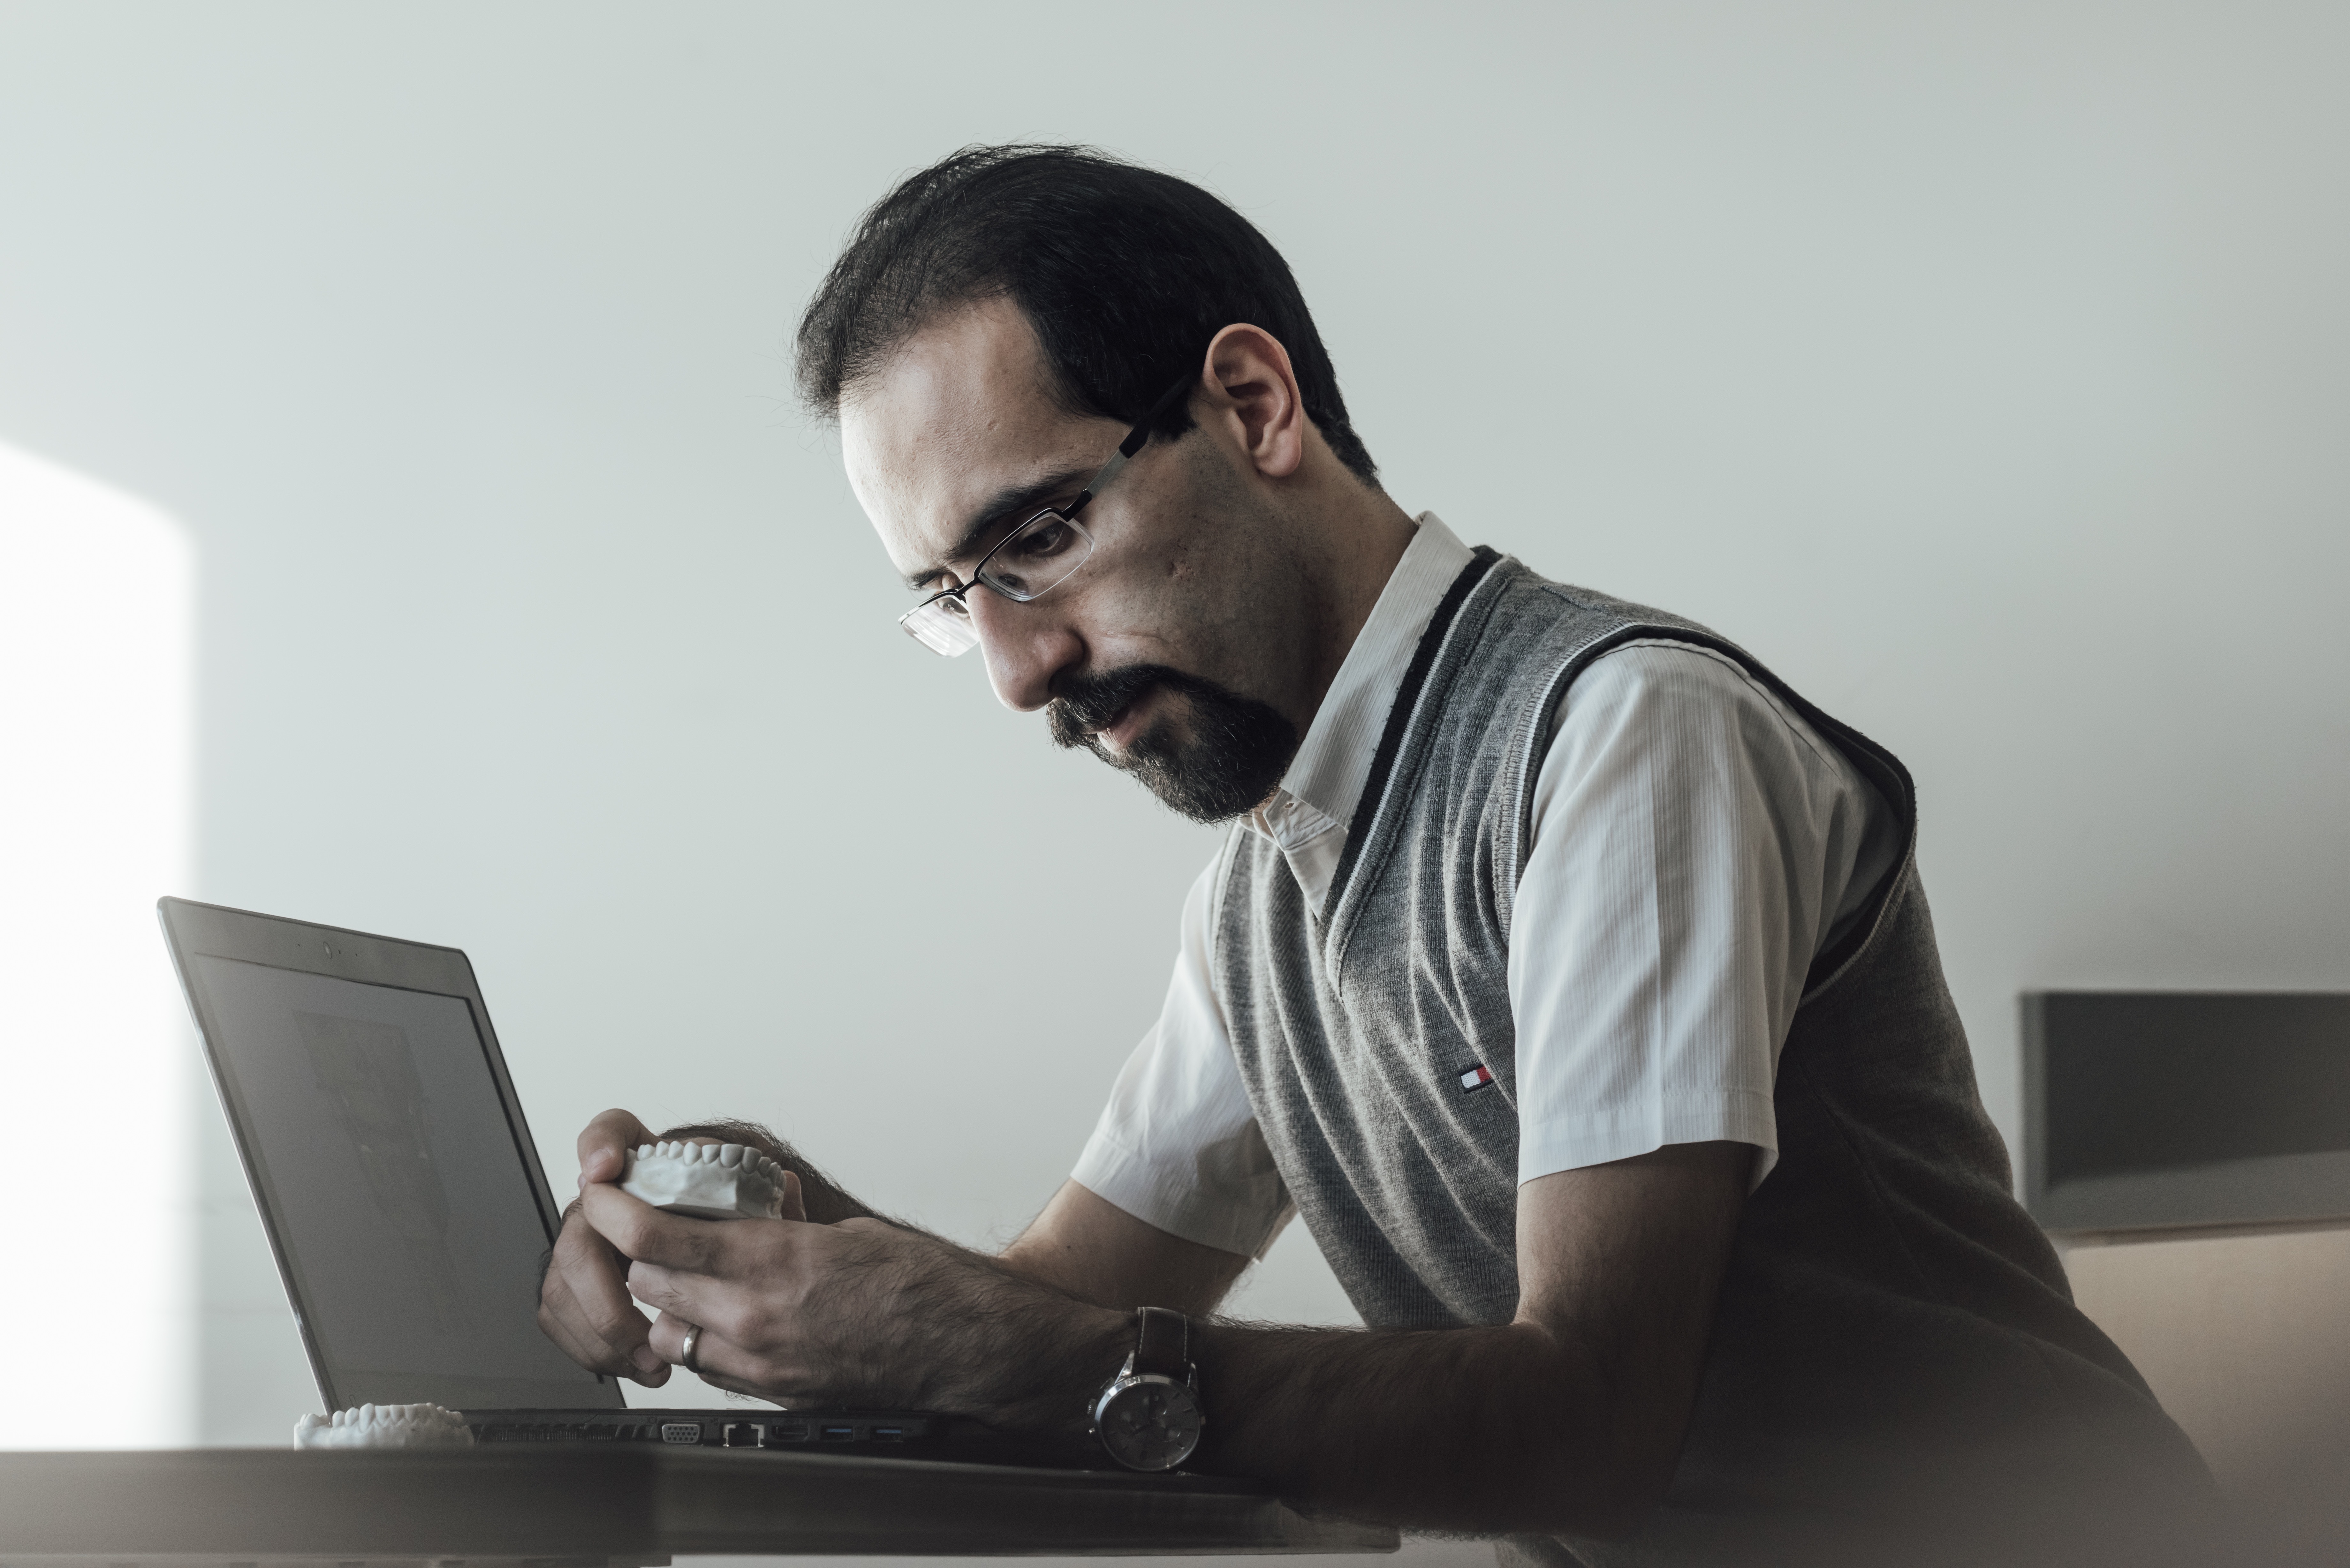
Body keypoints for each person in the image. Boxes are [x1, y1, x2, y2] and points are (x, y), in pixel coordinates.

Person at [536, 145, 2215, 1566]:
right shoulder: (1268, 895)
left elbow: (1592, 1423)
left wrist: (1032, 1358)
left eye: (1040, 539)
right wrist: (775, 1226)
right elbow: (1055, 1303)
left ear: (1253, 406)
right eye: (950, 600)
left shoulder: (1624, 742)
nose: (1018, 668)